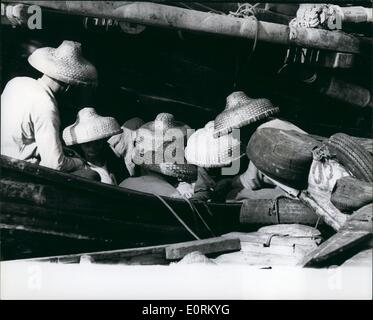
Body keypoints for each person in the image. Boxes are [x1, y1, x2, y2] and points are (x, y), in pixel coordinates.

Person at [1, 40, 98, 172]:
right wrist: (79, 162)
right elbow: (55, 164)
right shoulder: (46, 105)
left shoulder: (15, 82)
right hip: (17, 169)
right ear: (68, 87)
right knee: (91, 175)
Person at [63, 107, 128, 185]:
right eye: (87, 143)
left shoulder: (114, 161)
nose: (92, 147)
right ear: (80, 144)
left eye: (97, 142)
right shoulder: (77, 167)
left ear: (103, 141)